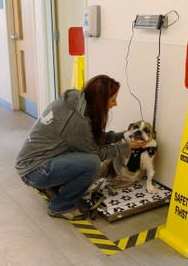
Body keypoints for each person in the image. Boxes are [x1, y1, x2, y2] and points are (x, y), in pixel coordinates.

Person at [15, 75, 146, 220]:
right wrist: (127, 147)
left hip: (36, 162)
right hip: (34, 170)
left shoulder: (78, 102)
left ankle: (53, 185)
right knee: (92, 163)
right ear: (100, 102)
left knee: (85, 158)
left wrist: (123, 135)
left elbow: (91, 137)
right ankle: (60, 207)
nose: (115, 104)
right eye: (113, 100)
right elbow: (97, 152)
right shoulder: (76, 120)